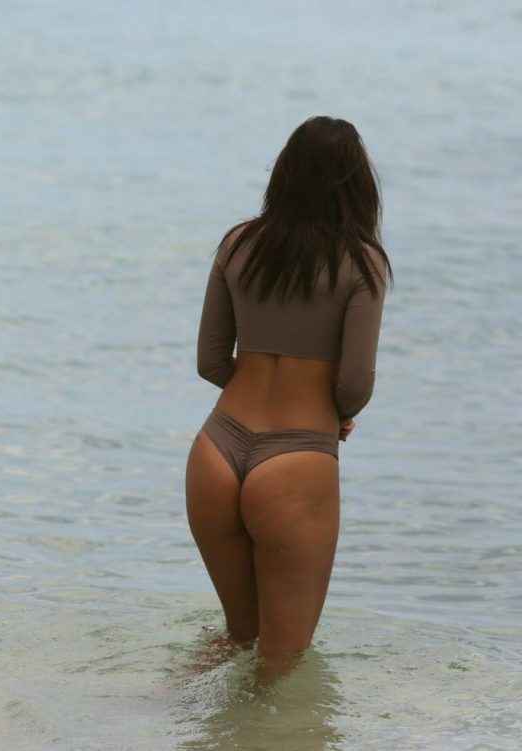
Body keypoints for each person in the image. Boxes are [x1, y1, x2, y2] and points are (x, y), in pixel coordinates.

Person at [185, 116, 391, 677]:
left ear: (284, 173)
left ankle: (167, 715)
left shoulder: (239, 243)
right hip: (297, 457)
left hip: (216, 450)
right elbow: (355, 383)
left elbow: (210, 360)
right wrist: (337, 414)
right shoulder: (363, 262)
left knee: (238, 638)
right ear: (357, 184)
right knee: (282, 662)